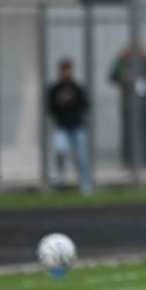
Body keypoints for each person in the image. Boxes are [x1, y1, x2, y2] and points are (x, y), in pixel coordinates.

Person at [109, 44, 146, 168]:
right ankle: (128, 161)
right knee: (128, 132)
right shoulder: (124, 61)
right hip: (129, 102)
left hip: (144, 103)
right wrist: (120, 58)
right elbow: (112, 76)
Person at [47, 58, 93, 195]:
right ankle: (60, 175)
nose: (65, 72)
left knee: (81, 157)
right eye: (63, 70)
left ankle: (85, 185)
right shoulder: (55, 89)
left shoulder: (77, 88)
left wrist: (72, 107)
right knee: (59, 150)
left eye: (67, 70)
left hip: (78, 126)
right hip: (62, 126)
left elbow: (85, 105)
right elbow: (51, 107)